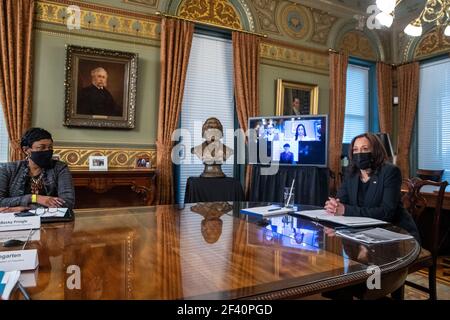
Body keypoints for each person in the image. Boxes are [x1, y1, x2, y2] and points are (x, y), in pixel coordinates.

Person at [324, 133, 419, 241]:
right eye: (355, 150)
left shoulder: (390, 172)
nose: (359, 153)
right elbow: (341, 202)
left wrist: (345, 210)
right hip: (361, 233)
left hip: (395, 233)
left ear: (375, 151)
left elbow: (386, 212)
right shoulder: (351, 173)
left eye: (365, 149)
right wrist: (334, 206)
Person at [0, 128, 75, 210]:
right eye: (41, 147)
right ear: (26, 150)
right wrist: (35, 198)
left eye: (50, 147)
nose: (47, 151)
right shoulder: (8, 169)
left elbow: (68, 202)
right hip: (16, 221)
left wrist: (22, 208)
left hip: (49, 220)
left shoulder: (60, 168)